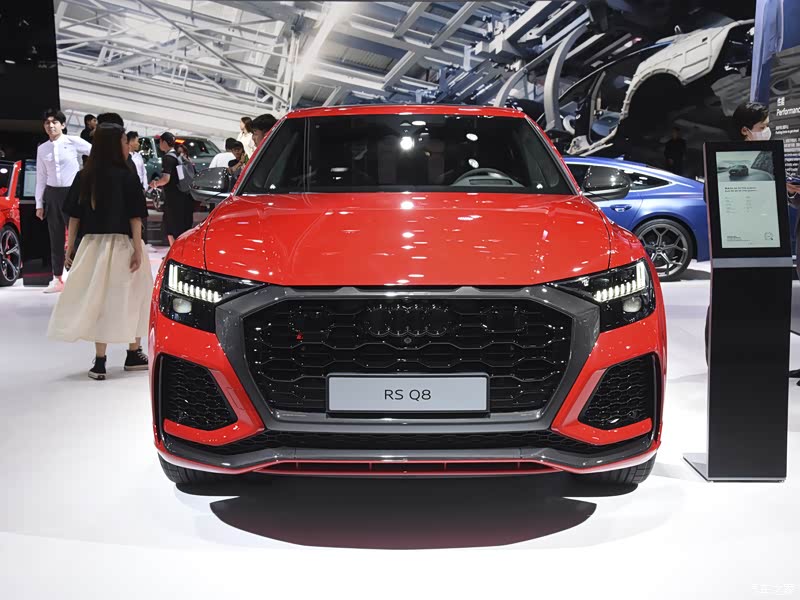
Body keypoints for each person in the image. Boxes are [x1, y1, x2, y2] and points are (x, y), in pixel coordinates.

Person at [46, 122, 152, 380]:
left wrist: (70, 246)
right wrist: (138, 249)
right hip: (124, 245)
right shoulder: (127, 176)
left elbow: (74, 216)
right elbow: (135, 217)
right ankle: (133, 352)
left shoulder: (85, 176)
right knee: (135, 297)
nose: (127, 146)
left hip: (93, 246)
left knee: (99, 300)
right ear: (115, 145)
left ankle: (100, 361)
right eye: (124, 141)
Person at [35, 109, 92, 293]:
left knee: (78, 236)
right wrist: (39, 204)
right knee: (55, 237)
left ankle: (80, 276)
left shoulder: (73, 141)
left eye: (54, 122)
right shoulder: (42, 149)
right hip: (52, 194)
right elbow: (41, 177)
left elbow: (95, 152)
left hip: (72, 193)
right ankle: (57, 278)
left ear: (63, 125)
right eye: (47, 123)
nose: (51, 126)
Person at [149, 132, 193, 246]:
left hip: (172, 198)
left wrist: (155, 184)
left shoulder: (168, 158)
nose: (159, 144)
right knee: (180, 226)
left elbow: (166, 179)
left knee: (170, 226)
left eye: (160, 142)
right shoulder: (178, 156)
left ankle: (174, 250)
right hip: (183, 194)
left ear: (164, 142)